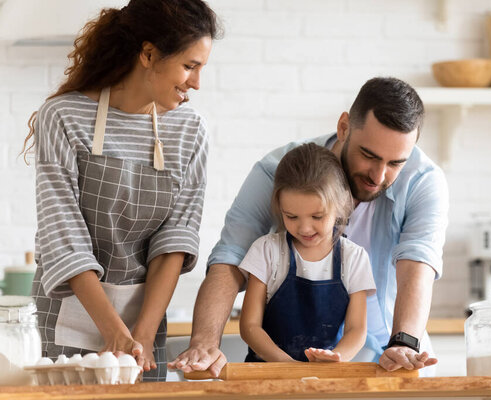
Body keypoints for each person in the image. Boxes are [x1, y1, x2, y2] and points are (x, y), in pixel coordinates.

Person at [170, 77, 448, 377]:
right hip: (294, 365)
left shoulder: (423, 181)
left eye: (395, 163)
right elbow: (230, 256)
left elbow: (418, 264)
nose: (379, 176)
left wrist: (404, 341)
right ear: (344, 127)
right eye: (368, 155)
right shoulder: (280, 172)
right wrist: (204, 342)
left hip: (393, 355)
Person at [21, 0, 220, 381]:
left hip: (144, 326)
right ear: (148, 53)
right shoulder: (63, 117)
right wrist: (113, 331)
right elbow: (64, 238)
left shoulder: (189, 130)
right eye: (189, 66)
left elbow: (175, 237)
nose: (196, 83)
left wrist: (142, 333)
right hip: (66, 321)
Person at [239, 143, 376, 362]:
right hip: (267, 374)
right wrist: (287, 365)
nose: (304, 228)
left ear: (339, 205)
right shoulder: (266, 250)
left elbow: (356, 330)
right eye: (291, 216)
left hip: (323, 378)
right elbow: (249, 326)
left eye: (317, 217)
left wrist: (335, 359)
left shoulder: (354, 258)